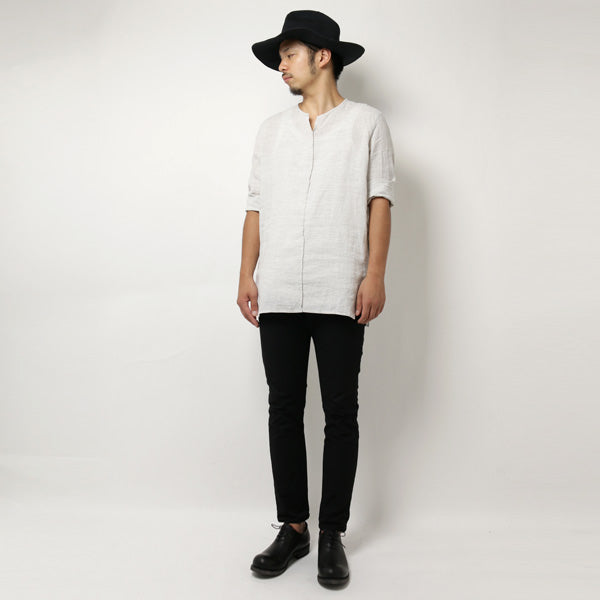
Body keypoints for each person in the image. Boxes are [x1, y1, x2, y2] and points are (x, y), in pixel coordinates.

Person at [237, 10, 396, 587]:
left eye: (289, 55)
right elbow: (255, 205)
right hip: (279, 285)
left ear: (322, 56)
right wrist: (246, 273)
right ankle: (294, 528)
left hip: (340, 285)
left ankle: (332, 532)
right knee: (283, 408)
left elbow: (380, 201)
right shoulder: (271, 131)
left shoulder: (367, 124)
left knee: (339, 412)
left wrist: (374, 274)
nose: (281, 66)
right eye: (281, 57)